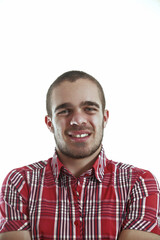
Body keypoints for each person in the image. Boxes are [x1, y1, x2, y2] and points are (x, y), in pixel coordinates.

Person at [0, 70, 160, 240]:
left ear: (104, 118)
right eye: (64, 111)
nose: (77, 120)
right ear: (49, 123)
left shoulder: (140, 183)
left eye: (89, 109)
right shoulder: (19, 182)